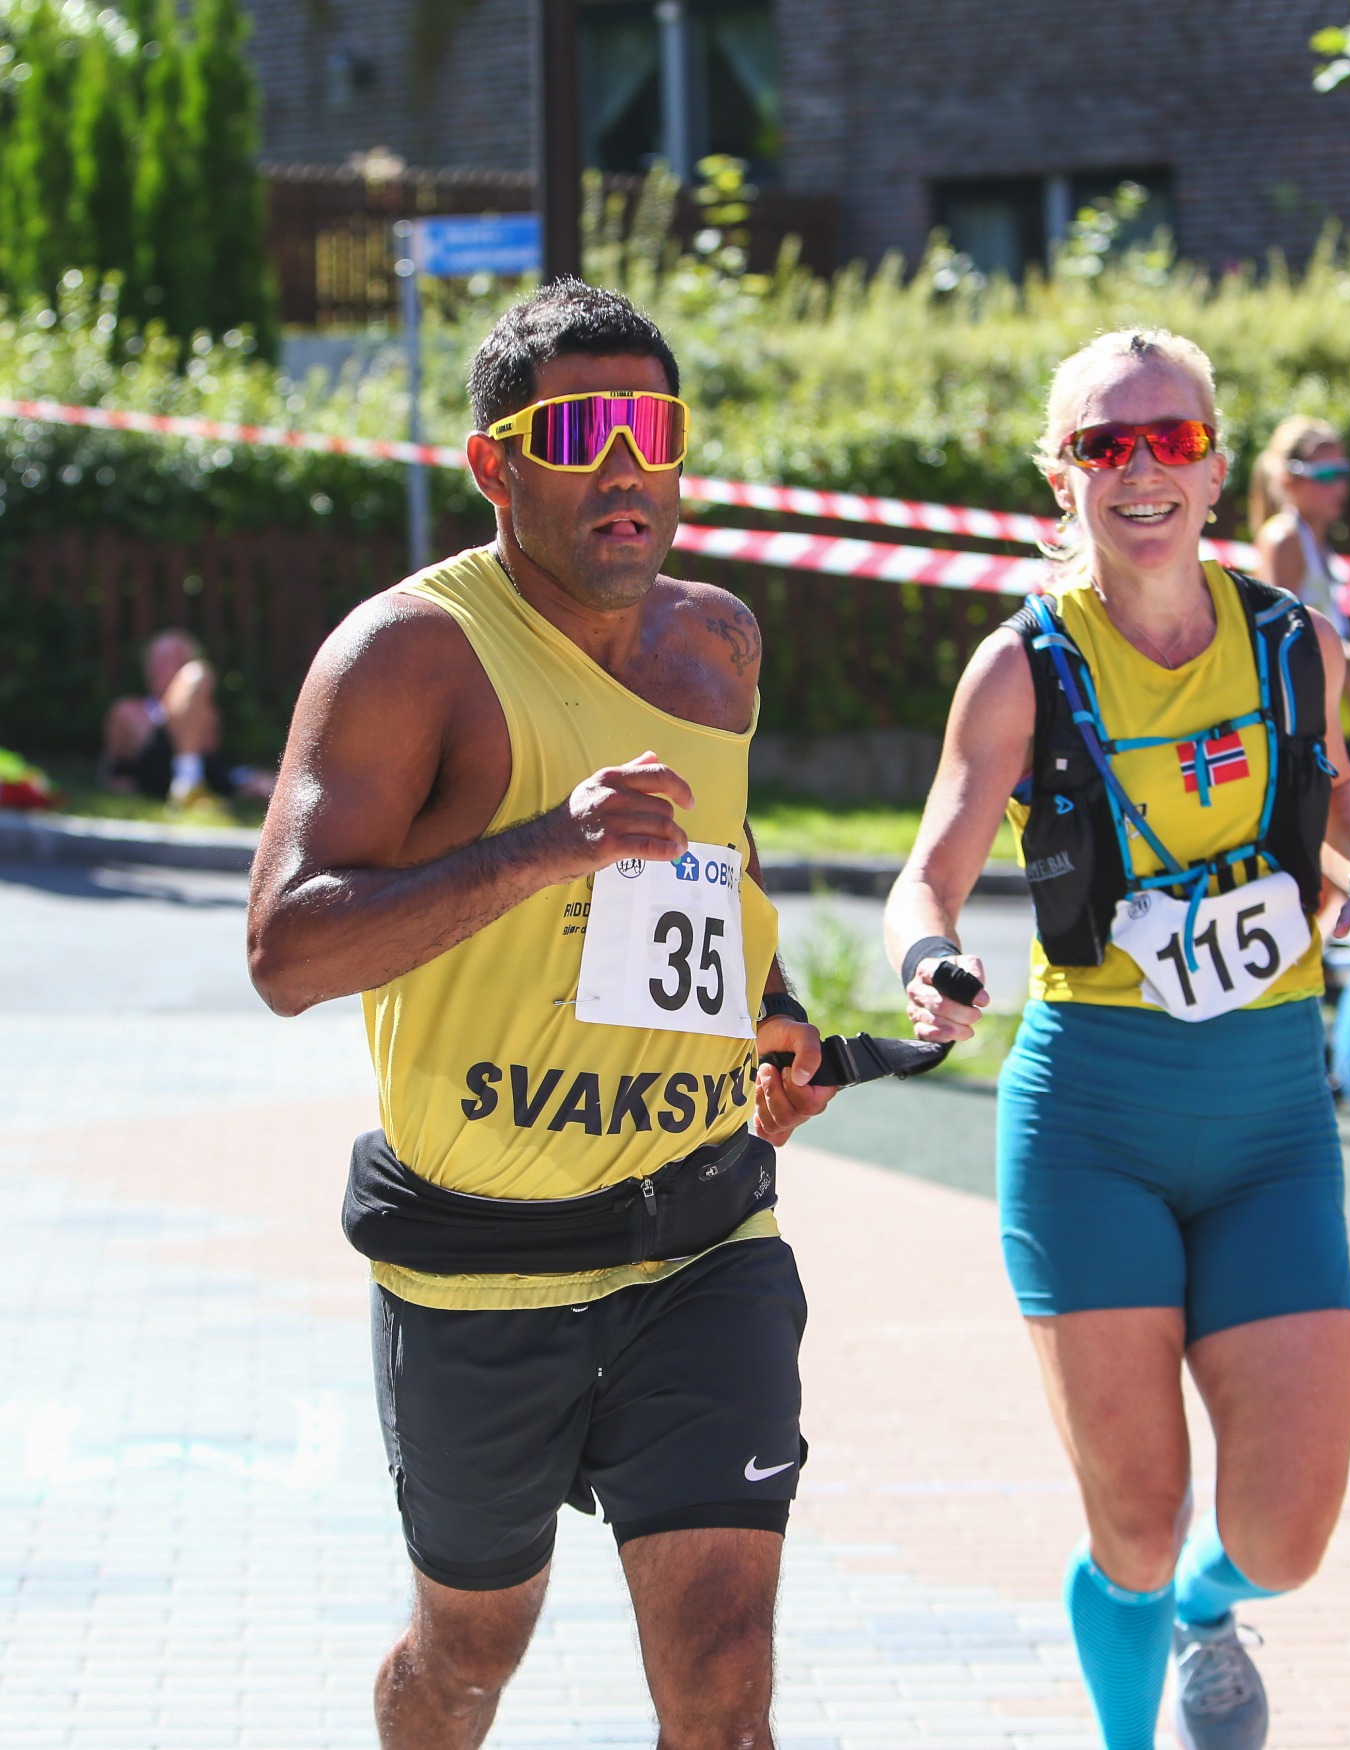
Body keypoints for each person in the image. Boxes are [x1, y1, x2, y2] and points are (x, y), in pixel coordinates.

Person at [246, 279, 835, 1750]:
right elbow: (285, 952)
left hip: (701, 1235)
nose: (625, 465)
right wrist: (537, 849)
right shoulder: (410, 653)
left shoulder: (717, 643)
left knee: (726, 1684)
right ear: (494, 465)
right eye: (579, 433)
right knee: (466, 1657)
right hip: (478, 1267)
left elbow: (718, 866)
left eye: (654, 428)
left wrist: (771, 1008)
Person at [883, 330, 1350, 1750]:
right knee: (1133, 1522)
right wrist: (932, 961)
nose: (1141, 467)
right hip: (1094, 1126)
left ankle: (1209, 1607)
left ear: (1214, 463)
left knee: (1286, 1537)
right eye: (1104, 443)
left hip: (1268, 1123)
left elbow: (1336, 803)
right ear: (1060, 478)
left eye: (1171, 438)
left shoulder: (1292, 640)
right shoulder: (1021, 667)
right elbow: (927, 873)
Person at [1248, 416, 1350, 787]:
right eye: (1325, 475)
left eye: (1344, 473)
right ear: (1289, 479)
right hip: (1311, 723)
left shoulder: (1315, 540)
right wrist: (1349, 655)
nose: (1339, 486)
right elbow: (1278, 641)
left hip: (1335, 717)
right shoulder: (1284, 540)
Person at [103, 628, 275, 805]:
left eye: (166, 660)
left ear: (183, 666)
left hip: (200, 775)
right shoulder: (127, 711)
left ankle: (188, 783)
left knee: (271, 785)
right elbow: (117, 768)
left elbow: (211, 761)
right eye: (152, 660)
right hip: (154, 774)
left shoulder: (207, 714)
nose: (156, 667)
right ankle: (187, 785)